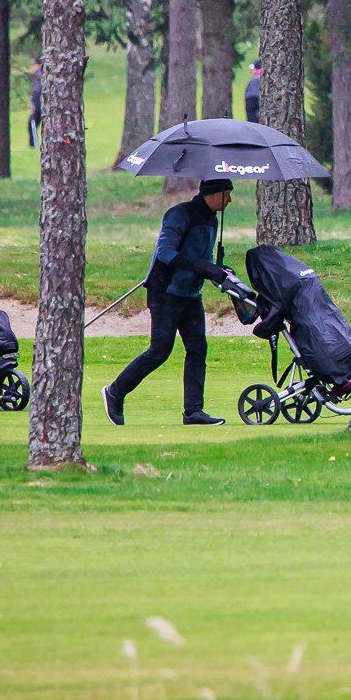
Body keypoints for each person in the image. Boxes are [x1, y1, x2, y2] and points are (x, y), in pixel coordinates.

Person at [102, 178, 235, 427]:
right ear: (213, 194)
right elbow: (166, 253)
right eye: (226, 194)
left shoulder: (213, 219)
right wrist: (201, 267)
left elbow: (200, 258)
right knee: (160, 351)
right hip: (165, 292)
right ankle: (115, 392)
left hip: (190, 294)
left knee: (198, 349)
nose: (229, 200)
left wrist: (217, 269)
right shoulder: (179, 215)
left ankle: (193, 411)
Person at [28, 59, 42, 148]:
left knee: (32, 124)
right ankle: (33, 145)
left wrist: (33, 105)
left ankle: (34, 145)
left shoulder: (39, 75)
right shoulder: (38, 75)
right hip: (38, 104)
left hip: (38, 105)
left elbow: (36, 92)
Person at [243, 59, 262, 123]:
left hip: (249, 98)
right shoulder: (262, 76)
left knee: (251, 120)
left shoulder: (253, 78)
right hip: (257, 98)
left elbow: (246, 90)